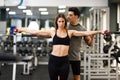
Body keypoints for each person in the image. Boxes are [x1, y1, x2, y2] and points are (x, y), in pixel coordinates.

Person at [16, 13, 104, 80]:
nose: (61, 23)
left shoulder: (70, 32)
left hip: (64, 61)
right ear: (57, 22)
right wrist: (21, 29)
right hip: (53, 61)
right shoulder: (52, 32)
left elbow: (85, 33)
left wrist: (99, 31)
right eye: (59, 21)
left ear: (65, 22)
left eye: (62, 21)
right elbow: (35, 32)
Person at [67, 7, 94, 80]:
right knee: (61, 76)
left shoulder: (82, 29)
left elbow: (90, 44)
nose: (68, 17)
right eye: (68, 15)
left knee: (77, 77)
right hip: (64, 57)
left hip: (75, 57)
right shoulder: (65, 27)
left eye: (70, 15)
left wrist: (92, 38)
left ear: (76, 16)